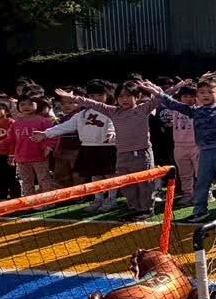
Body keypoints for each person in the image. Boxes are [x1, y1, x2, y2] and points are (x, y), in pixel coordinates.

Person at [57, 81, 161, 218]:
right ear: (116, 98)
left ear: (137, 97)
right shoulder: (114, 111)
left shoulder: (142, 109)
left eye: (128, 96)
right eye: (121, 96)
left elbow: (160, 98)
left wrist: (153, 89)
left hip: (141, 154)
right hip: (122, 154)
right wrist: (74, 98)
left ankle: (146, 210)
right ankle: (135, 208)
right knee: (127, 184)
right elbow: (95, 104)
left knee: (144, 183)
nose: (124, 99)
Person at [150, 78, 216, 223]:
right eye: (202, 92)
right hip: (204, 152)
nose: (206, 95)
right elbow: (174, 104)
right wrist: (158, 94)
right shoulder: (194, 111)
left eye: (210, 92)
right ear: (197, 95)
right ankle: (200, 210)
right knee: (202, 182)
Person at [39, 83, 118, 211]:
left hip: (106, 147)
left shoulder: (111, 110)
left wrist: (112, 133)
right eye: (92, 95)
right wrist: (45, 134)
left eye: (99, 95)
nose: (95, 98)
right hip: (88, 147)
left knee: (110, 175)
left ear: (107, 95)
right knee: (95, 175)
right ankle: (98, 199)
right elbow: (65, 127)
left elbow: (114, 125)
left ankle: (111, 199)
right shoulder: (82, 114)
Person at [8, 97, 57, 197]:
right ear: (18, 107)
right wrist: (12, 155)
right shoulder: (16, 123)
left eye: (30, 104)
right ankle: (30, 202)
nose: (26, 107)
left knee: (44, 179)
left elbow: (53, 136)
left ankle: (49, 200)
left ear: (37, 105)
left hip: (40, 156)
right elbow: (11, 140)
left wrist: (48, 147)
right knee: (26, 180)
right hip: (22, 158)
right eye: (22, 104)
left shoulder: (44, 121)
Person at [163, 85, 199, 203]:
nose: (188, 99)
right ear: (180, 97)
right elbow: (165, 97)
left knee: (200, 172)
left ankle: (205, 193)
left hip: (196, 145)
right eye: (185, 96)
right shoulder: (175, 109)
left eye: (192, 96)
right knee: (184, 173)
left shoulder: (198, 109)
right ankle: (188, 193)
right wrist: (176, 87)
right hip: (179, 146)